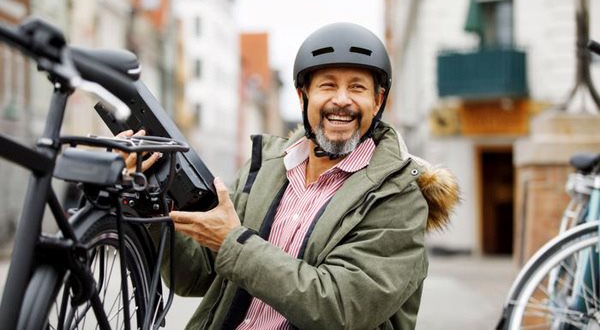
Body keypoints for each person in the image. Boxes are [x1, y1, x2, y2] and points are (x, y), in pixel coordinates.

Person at [138, 22, 459, 330]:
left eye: (357, 87)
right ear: (303, 97)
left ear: (377, 101)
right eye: (328, 85)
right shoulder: (265, 168)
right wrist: (149, 193)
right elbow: (193, 275)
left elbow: (340, 307)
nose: (342, 99)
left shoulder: (399, 196)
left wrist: (233, 244)